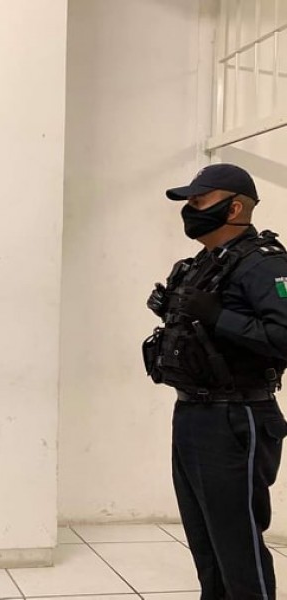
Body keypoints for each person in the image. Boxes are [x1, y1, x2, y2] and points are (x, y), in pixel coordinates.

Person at [143, 163, 287, 599]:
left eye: (199, 201)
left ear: (235, 207)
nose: (190, 209)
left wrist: (217, 316)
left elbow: (283, 338)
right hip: (192, 412)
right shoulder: (204, 265)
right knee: (206, 541)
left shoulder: (264, 265)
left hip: (236, 416)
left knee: (237, 543)